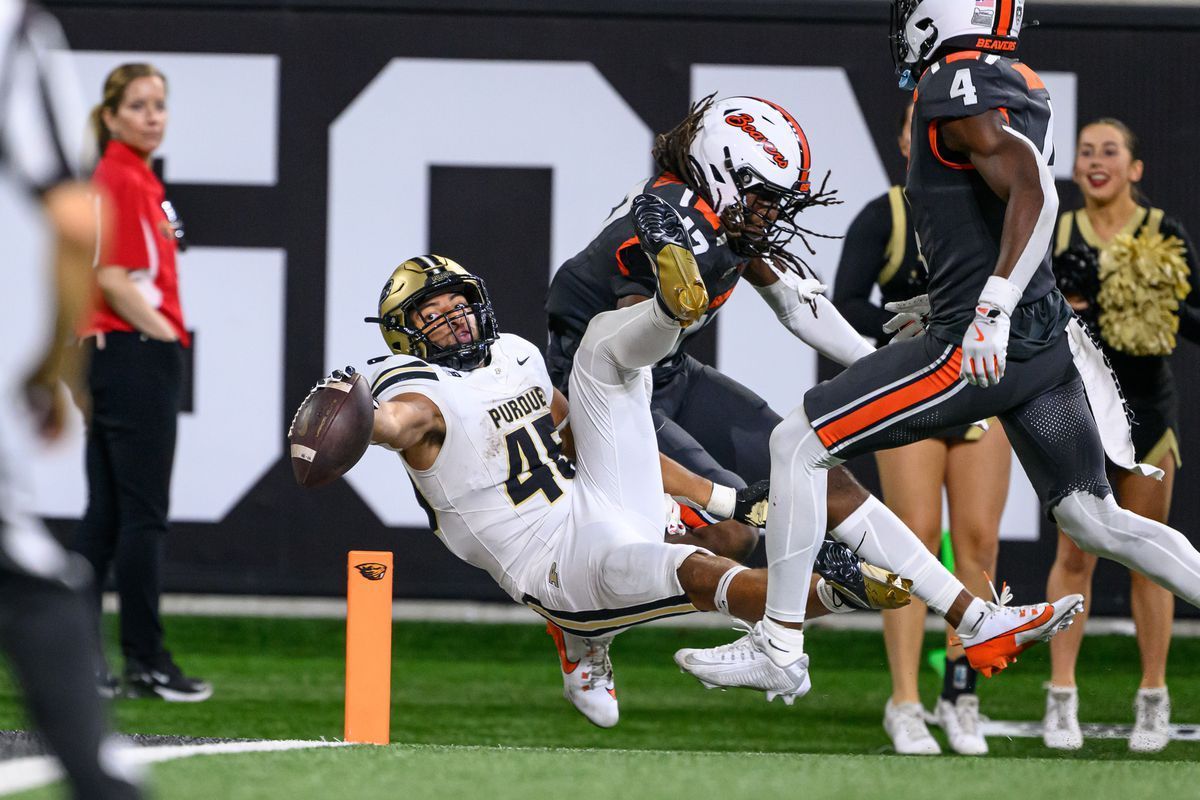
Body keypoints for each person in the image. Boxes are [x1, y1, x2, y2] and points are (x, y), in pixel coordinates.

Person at [674, 0, 1200, 701]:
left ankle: (779, 643)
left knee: (798, 442)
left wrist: (987, 305)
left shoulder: (954, 80)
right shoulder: (1013, 77)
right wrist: (974, 287)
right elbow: (998, 204)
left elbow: (1034, 191)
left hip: (982, 345)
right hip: (1041, 345)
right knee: (1092, 518)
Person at [546, 95, 976, 640]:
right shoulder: (672, 220)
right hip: (606, 392)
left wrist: (885, 370)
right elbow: (629, 344)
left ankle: (969, 615)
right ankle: (588, 611)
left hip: (670, 374)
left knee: (819, 475)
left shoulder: (716, 217)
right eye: (765, 197)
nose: (772, 213)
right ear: (723, 172)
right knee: (734, 528)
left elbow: (797, 305)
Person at [833, 100, 1012, 755]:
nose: (930, 131)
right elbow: (846, 300)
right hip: (910, 394)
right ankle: (904, 701)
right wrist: (913, 323)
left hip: (980, 389)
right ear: (906, 136)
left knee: (979, 545)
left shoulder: (993, 205)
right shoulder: (887, 214)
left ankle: (961, 692)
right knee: (908, 546)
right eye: (918, 122)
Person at [0, 2, 142, 796]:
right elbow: (71, 215)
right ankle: (102, 783)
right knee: (24, 568)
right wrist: (56, 363)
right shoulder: (15, 26)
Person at [1041, 118, 1199, 753]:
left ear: (1135, 169)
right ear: (1075, 168)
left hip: (1147, 411)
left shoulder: (1162, 234)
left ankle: (1153, 699)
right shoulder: (1054, 230)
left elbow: (1194, 319)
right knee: (1075, 555)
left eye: (1110, 152)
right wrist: (1067, 301)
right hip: (1078, 411)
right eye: (1086, 152)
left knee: (1149, 559)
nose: (1095, 161)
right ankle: (1061, 699)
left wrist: (1143, 297)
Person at [73, 63, 210, 701]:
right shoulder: (123, 176)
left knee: (105, 516)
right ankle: (147, 660)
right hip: (133, 354)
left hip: (112, 352)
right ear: (110, 117)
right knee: (142, 518)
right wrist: (165, 337)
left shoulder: (133, 176)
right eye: (138, 105)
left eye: (160, 103)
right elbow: (113, 277)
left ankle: (77, 658)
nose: (153, 115)